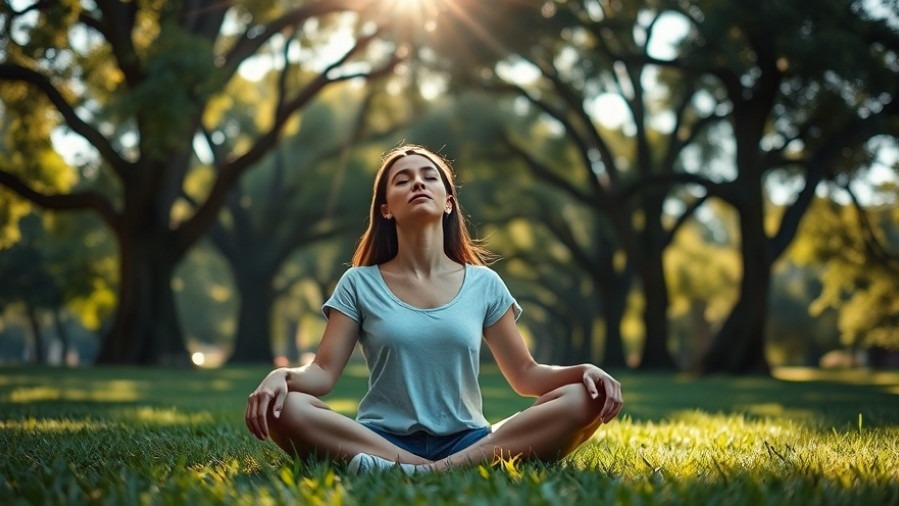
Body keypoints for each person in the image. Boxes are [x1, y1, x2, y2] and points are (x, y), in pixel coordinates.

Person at [245, 144, 623, 473]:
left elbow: (526, 374)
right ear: (386, 209)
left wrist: (583, 371)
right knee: (286, 408)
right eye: (402, 180)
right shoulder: (358, 283)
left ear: (448, 202)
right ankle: (441, 468)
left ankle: (428, 470)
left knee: (583, 397)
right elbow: (323, 373)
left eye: (429, 177)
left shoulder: (484, 284)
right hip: (379, 439)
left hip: (468, 439)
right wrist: (283, 376)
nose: (417, 183)